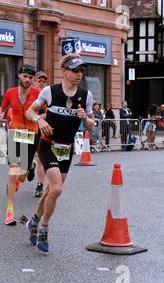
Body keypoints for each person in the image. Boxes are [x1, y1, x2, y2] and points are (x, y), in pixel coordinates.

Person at [25, 54, 94, 253]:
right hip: (47, 145)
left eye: (81, 70)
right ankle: (44, 228)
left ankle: (34, 221)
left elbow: (91, 123)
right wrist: (39, 120)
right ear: (64, 71)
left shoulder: (85, 95)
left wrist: (84, 119)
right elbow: (30, 112)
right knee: (56, 189)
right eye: (75, 70)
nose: (79, 74)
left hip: (66, 148)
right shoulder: (50, 91)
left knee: (49, 191)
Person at [0, 64, 41, 225]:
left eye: (30, 78)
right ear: (19, 75)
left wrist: (38, 118)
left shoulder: (38, 93)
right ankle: (9, 211)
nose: (27, 80)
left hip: (32, 135)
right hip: (15, 133)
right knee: (13, 170)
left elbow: (46, 112)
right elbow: (1, 109)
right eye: (25, 76)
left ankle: (30, 167)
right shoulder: (10, 92)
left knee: (22, 176)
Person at [31, 71, 49, 198]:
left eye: (43, 81)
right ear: (34, 81)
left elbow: (49, 113)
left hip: (41, 129)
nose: (41, 83)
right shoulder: (29, 93)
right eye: (39, 80)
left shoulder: (48, 95)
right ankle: (30, 166)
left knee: (41, 158)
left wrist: (35, 117)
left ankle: (40, 184)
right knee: (27, 156)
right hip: (27, 129)